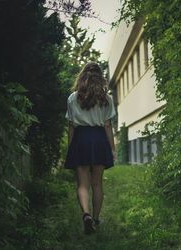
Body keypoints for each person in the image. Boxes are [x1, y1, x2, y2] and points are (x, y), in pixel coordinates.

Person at [64, 61, 116, 234]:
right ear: (100, 77)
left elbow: (71, 126)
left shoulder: (73, 98)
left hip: (81, 139)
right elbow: (108, 126)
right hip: (99, 139)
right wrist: (112, 147)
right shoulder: (106, 98)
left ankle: (85, 215)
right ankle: (95, 218)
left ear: (83, 76)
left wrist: (71, 147)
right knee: (97, 184)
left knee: (82, 184)